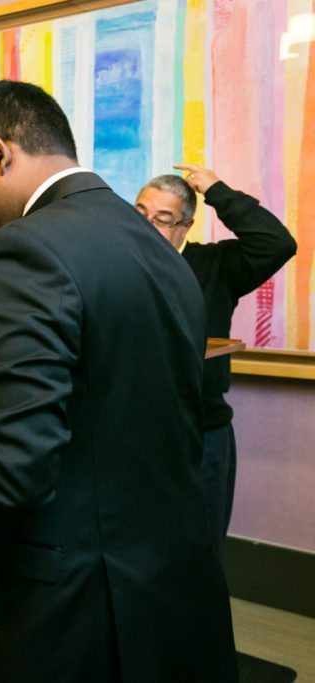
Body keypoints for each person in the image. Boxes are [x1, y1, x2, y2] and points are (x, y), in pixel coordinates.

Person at [0, 81, 238, 682]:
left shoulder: (25, 252)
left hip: (78, 598)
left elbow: (12, 457)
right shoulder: (160, 250)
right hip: (174, 582)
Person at [135, 166, 297, 555]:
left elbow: (277, 243)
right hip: (135, 432)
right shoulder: (115, 264)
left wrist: (217, 190)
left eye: (161, 219)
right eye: (138, 214)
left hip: (202, 432)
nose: (145, 227)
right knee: (139, 550)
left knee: (199, 553)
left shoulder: (216, 266)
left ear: (186, 225)